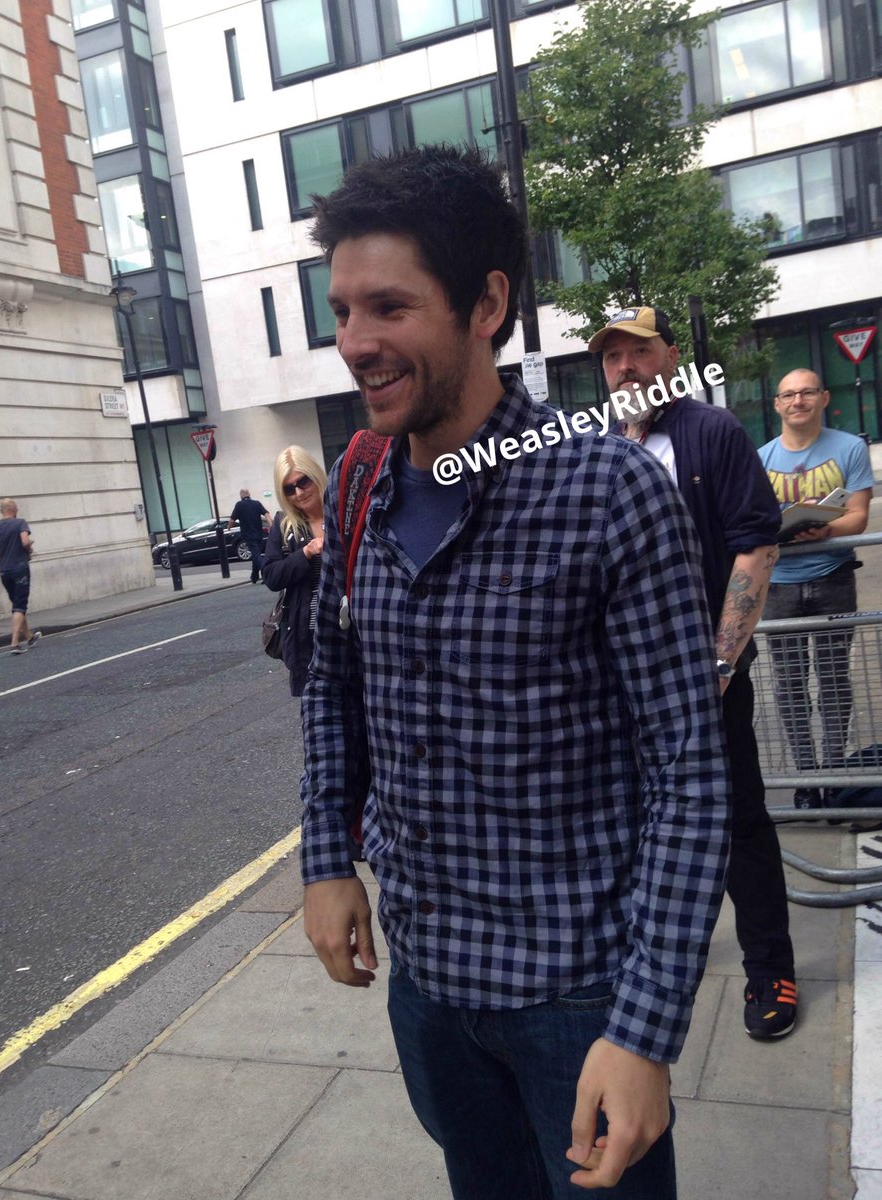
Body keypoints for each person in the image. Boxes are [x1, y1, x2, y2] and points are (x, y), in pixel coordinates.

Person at [300, 146, 730, 1200]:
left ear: (487, 301)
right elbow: (331, 681)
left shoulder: (605, 490)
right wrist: (324, 856)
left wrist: (646, 1024)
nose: (356, 343)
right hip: (431, 997)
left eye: (388, 307)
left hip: (579, 1005)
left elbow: (689, 767)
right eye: (343, 309)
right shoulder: (361, 492)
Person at [590, 306, 797, 1042]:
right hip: (619, 682)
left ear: (669, 357)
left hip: (706, 675)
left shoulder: (712, 433)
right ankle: (647, 960)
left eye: (638, 352)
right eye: (612, 357)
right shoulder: (593, 448)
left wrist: (719, 663)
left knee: (740, 819)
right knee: (630, 825)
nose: (625, 367)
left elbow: (756, 546)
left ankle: (770, 968)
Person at [758, 369, 874, 809]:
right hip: (780, 585)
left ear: (824, 398)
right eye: (788, 394)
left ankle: (834, 769)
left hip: (833, 578)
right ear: (777, 404)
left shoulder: (849, 447)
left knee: (833, 680)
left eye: (807, 392)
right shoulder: (761, 457)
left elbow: (857, 518)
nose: (798, 401)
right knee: (788, 685)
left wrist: (822, 532)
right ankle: (807, 776)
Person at [262, 446, 328, 696]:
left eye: (303, 482)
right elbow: (271, 576)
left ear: (316, 476)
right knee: (317, 715)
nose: (299, 493)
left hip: (350, 631)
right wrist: (306, 554)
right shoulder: (284, 525)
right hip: (306, 635)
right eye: (290, 489)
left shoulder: (343, 513)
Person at [0, 498, 42, 655]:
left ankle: (29, 637)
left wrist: (3, 548)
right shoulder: (20, 523)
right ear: (14, 509)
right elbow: (25, 542)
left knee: (17, 604)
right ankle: (15, 643)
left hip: (4, 570)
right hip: (19, 568)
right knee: (20, 605)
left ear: (1, 510)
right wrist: (29, 545)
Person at [227, 488, 270, 583]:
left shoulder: (239, 505)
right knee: (256, 554)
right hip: (259, 534)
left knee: (256, 555)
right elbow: (266, 513)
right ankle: (254, 577)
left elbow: (232, 520)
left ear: (241, 495)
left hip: (248, 535)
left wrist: (229, 527)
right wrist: (271, 524)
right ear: (249, 494)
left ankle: (267, 573)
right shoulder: (257, 503)